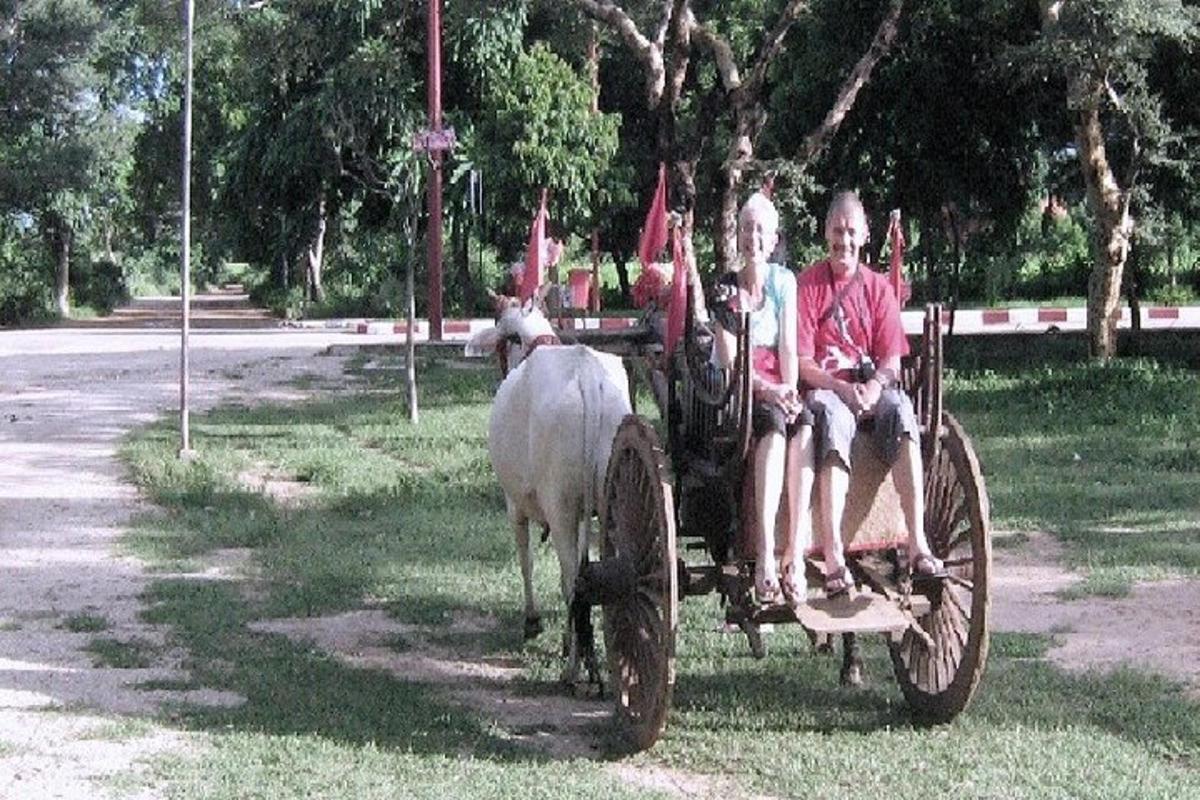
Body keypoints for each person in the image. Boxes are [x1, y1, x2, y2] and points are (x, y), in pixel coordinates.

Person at [796, 190, 946, 597]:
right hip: (829, 390)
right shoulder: (808, 286)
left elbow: (891, 360)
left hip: (869, 389)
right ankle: (833, 555)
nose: (843, 240)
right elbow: (803, 362)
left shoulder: (878, 288)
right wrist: (841, 388)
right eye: (836, 231)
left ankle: (917, 541)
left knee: (901, 410)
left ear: (864, 236)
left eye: (850, 232)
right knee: (832, 420)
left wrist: (875, 386)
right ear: (825, 233)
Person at [711, 191, 813, 608]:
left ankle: (796, 555)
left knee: (803, 424)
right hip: (742, 389)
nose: (753, 237)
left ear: (773, 241)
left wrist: (789, 389)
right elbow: (732, 362)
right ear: (738, 237)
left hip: (777, 380)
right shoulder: (724, 289)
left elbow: (788, 345)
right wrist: (770, 391)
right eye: (746, 228)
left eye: (761, 230)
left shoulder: (784, 281)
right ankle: (767, 555)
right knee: (772, 425)